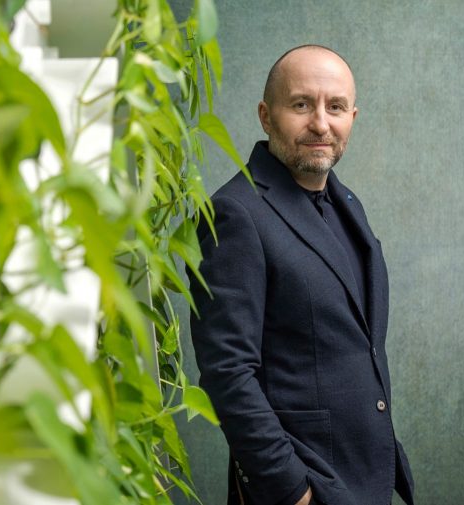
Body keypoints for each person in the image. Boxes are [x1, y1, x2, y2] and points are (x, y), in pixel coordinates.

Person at [189, 45, 415, 505]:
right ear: (265, 116)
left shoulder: (346, 204)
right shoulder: (235, 213)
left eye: (336, 107)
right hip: (303, 487)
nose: (321, 123)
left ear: (353, 117)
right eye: (300, 104)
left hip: (364, 480)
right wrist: (293, 490)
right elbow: (227, 372)